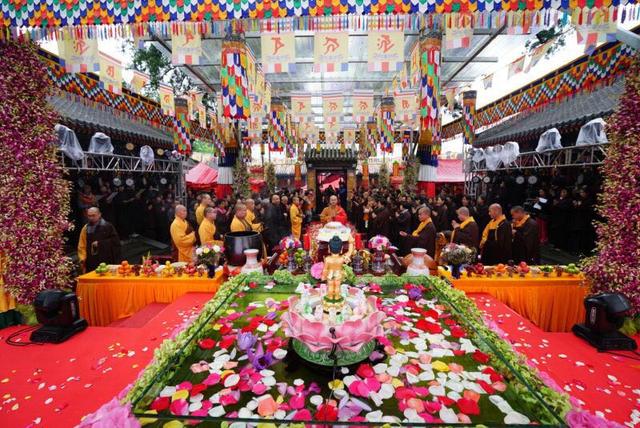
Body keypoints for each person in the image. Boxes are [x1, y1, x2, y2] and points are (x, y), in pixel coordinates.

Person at [77, 207, 121, 273]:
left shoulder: (107, 226)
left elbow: (115, 242)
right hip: (91, 260)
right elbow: (82, 245)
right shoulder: (85, 228)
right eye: (89, 216)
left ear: (99, 214)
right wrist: (82, 259)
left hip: (106, 259)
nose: (91, 218)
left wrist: (100, 243)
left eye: (93, 215)